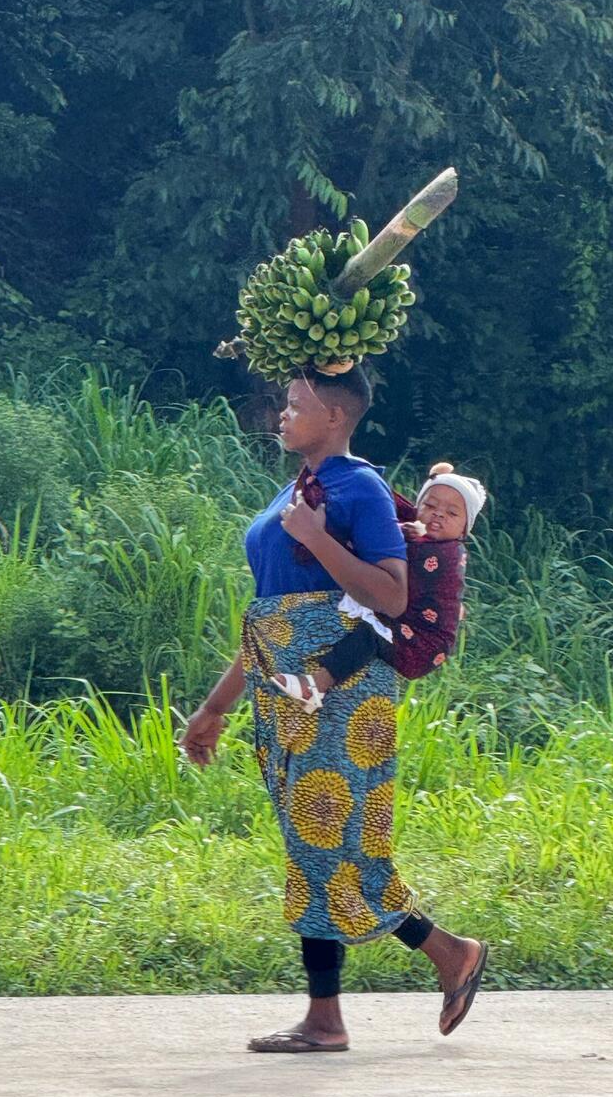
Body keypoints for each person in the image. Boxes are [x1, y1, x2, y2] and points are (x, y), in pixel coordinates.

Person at [179, 365, 488, 1052]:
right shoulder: (293, 493)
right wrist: (214, 709)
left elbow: (394, 595)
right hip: (280, 682)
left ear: (335, 416)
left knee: (334, 842)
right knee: (310, 846)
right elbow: (268, 614)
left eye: (294, 405)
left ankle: (438, 958)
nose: (282, 415)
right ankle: (335, 1013)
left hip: (340, 687)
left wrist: (316, 537)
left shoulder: (361, 487)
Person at [269, 463, 487, 714]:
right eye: (429, 506)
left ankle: (315, 686)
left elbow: (385, 551)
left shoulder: (446, 553)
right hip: (409, 628)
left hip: (423, 643)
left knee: (371, 636)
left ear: (464, 529)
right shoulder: (419, 538)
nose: (438, 514)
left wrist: (329, 537)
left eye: (451, 513)